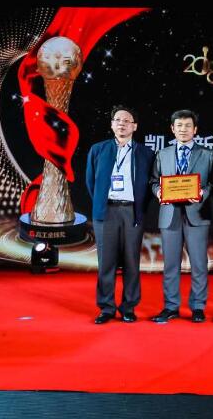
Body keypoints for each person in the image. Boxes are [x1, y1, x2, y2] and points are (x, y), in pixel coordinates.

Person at [85, 105, 155, 324]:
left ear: (135, 126)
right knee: (106, 262)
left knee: (131, 261)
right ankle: (106, 308)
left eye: (127, 121)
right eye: (118, 120)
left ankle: (128, 307)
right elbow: (91, 182)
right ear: (112, 124)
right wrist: (101, 203)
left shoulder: (146, 153)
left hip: (132, 212)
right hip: (106, 211)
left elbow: (150, 185)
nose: (122, 124)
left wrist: (138, 207)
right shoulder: (98, 149)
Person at [150, 109, 213, 323]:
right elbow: (154, 181)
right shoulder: (162, 154)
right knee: (170, 264)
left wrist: (202, 193)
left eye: (188, 125)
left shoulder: (208, 154)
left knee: (198, 263)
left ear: (195, 130)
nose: (183, 129)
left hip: (197, 213)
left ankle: (198, 307)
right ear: (172, 129)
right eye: (179, 125)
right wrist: (159, 192)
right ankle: (170, 306)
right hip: (169, 214)